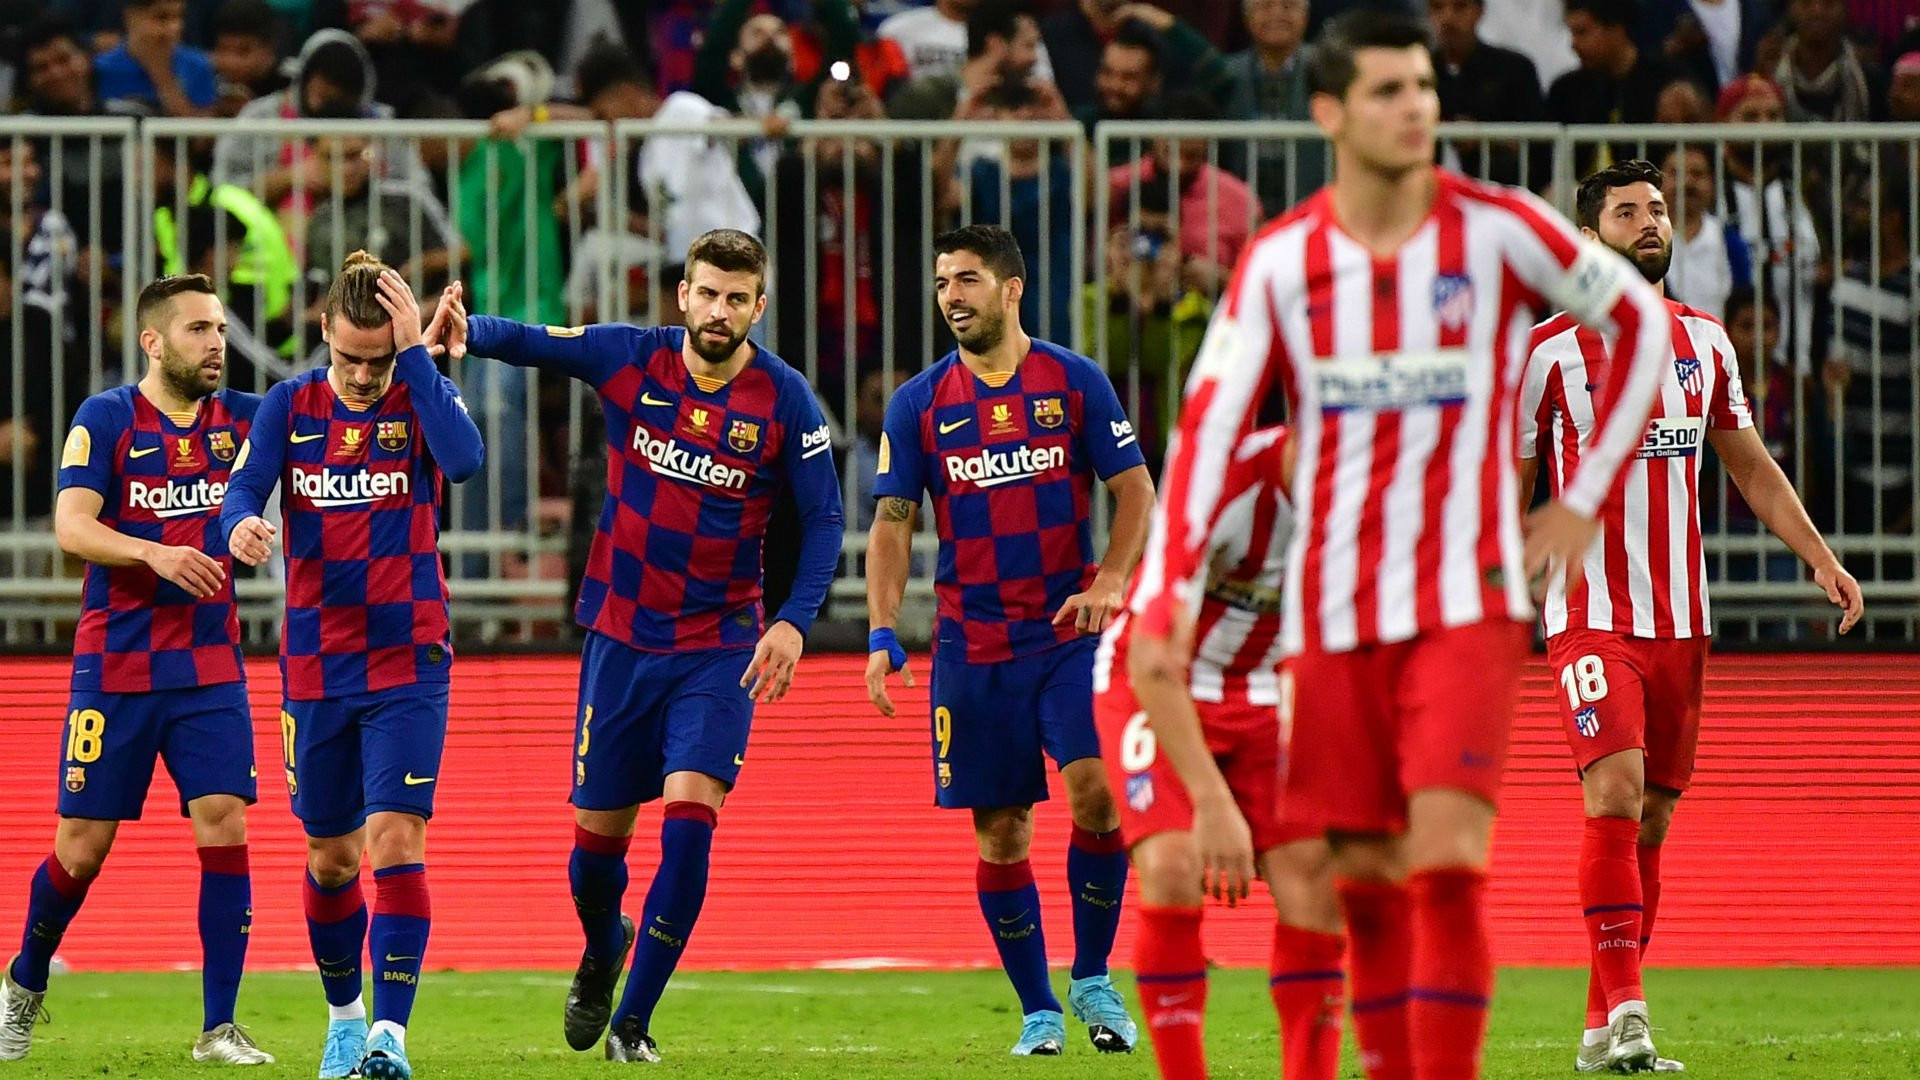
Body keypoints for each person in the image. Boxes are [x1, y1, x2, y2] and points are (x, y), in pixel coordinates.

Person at [1127, 13, 1676, 1080]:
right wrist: (1169, 577)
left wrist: (1585, 493)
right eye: (1387, 90)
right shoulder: (1284, 262)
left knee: (1448, 863)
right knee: (1365, 871)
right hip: (1330, 614)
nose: (1415, 105)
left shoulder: (1502, 227)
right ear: (1330, 112)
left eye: (1423, 86)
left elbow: (1644, 327)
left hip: (1463, 604)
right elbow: (1207, 426)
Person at [434, 228, 844, 1065]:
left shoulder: (787, 399)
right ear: (683, 296)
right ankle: (600, 948)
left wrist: (793, 620)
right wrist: (465, 329)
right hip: (621, 638)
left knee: (691, 824)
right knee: (594, 856)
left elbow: (828, 519)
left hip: (719, 647)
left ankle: (635, 1022)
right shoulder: (632, 358)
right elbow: (539, 343)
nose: (719, 310)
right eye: (707, 293)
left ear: (758, 306)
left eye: (737, 298)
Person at [1518, 159, 1863, 1073]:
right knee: (1616, 792)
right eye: (1627, 212)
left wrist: (1820, 557)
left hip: (1682, 620)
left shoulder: (1705, 343)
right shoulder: (1547, 352)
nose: (1649, 223)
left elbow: (1748, 465)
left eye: (1659, 210)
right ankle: (1632, 1014)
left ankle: (1598, 1031)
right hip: (1591, 611)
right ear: (1589, 238)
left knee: (1654, 820)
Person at [865, 224, 1155, 1056]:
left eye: (966, 279)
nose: (951, 295)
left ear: (1012, 287)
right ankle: (1038, 1013)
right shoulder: (917, 403)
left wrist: (1108, 581)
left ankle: (1093, 978)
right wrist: (884, 629)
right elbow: (893, 522)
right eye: (942, 282)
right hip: (973, 644)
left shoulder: (1074, 380)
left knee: (1097, 790)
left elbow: (1135, 491)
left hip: (1066, 634)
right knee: (1002, 830)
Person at [220, 254, 483, 1080]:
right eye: (350, 358)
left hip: (410, 656)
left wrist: (418, 355)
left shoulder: (420, 392)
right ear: (324, 333)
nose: (364, 376)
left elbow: (466, 459)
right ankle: (344, 1020)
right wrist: (240, 529)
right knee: (331, 857)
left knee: (397, 838)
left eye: (379, 358)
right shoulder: (286, 404)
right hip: (316, 663)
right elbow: (242, 490)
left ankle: (390, 1039)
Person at [0, 274, 271, 1066]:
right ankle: (22, 983)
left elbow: (336, 407)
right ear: (153, 341)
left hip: (210, 663)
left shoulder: (250, 421)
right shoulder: (106, 418)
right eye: (196, 330)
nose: (216, 342)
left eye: (219, 328)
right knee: (81, 848)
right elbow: (72, 527)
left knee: (226, 822)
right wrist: (153, 551)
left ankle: (219, 1028)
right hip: (114, 664)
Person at [1096, 424, 1347, 1080]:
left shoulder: (1384, 499)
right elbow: (1153, 660)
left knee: (1314, 886)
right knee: (1175, 866)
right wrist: (1212, 802)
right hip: (1153, 676)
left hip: (1266, 689)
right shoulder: (1222, 483)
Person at [93, 0, 218, 116]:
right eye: (161, 17)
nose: (174, 27)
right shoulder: (100, 68)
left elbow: (202, 137)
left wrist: (162, 75)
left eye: (179, 17)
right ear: (130, 17)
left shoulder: (198, 66)